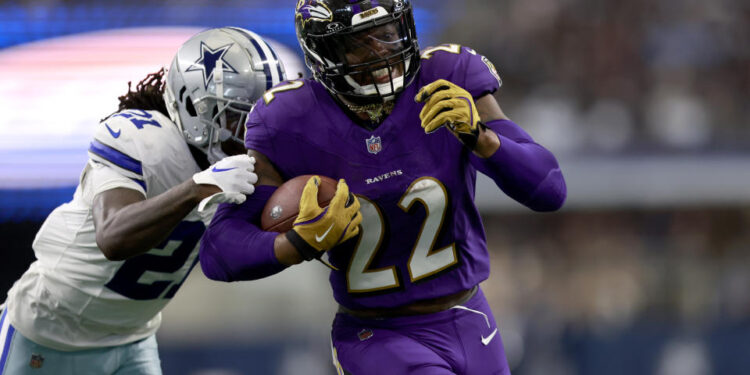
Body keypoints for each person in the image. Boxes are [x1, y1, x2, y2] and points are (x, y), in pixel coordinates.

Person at [199, 1, 566, 374]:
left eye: (388, 34)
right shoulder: (288, 119)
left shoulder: (447, 77)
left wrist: (485, 140)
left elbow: (550, 189)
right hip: (376, 335)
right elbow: (218, 251)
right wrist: (297, 243)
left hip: (471, 316)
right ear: (323, 52)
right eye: (359, 42)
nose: (381, 52)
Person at [0, 27, 286, 374]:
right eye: (236, 116)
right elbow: (113, 237)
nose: (249, 133)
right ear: (193, 104)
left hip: (133, 340)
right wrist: (197, 189)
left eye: (261, 118)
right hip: (47, 331)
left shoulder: (253, 163)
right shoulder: (144, 139)